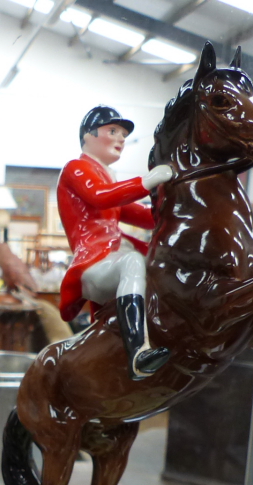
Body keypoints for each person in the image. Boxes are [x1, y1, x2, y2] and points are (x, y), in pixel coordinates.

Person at [57, 106, 175, 379]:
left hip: (112, 258)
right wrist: (147, 181)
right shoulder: (76, 169)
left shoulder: (110, 177)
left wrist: (172, 199)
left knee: (162, 265)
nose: (120, 139)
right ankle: (138, 353)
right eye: (113, 131)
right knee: (132, 261)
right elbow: (101, 196)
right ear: (88, 136)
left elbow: (145, 217)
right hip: (94, 263)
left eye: (123, 134)